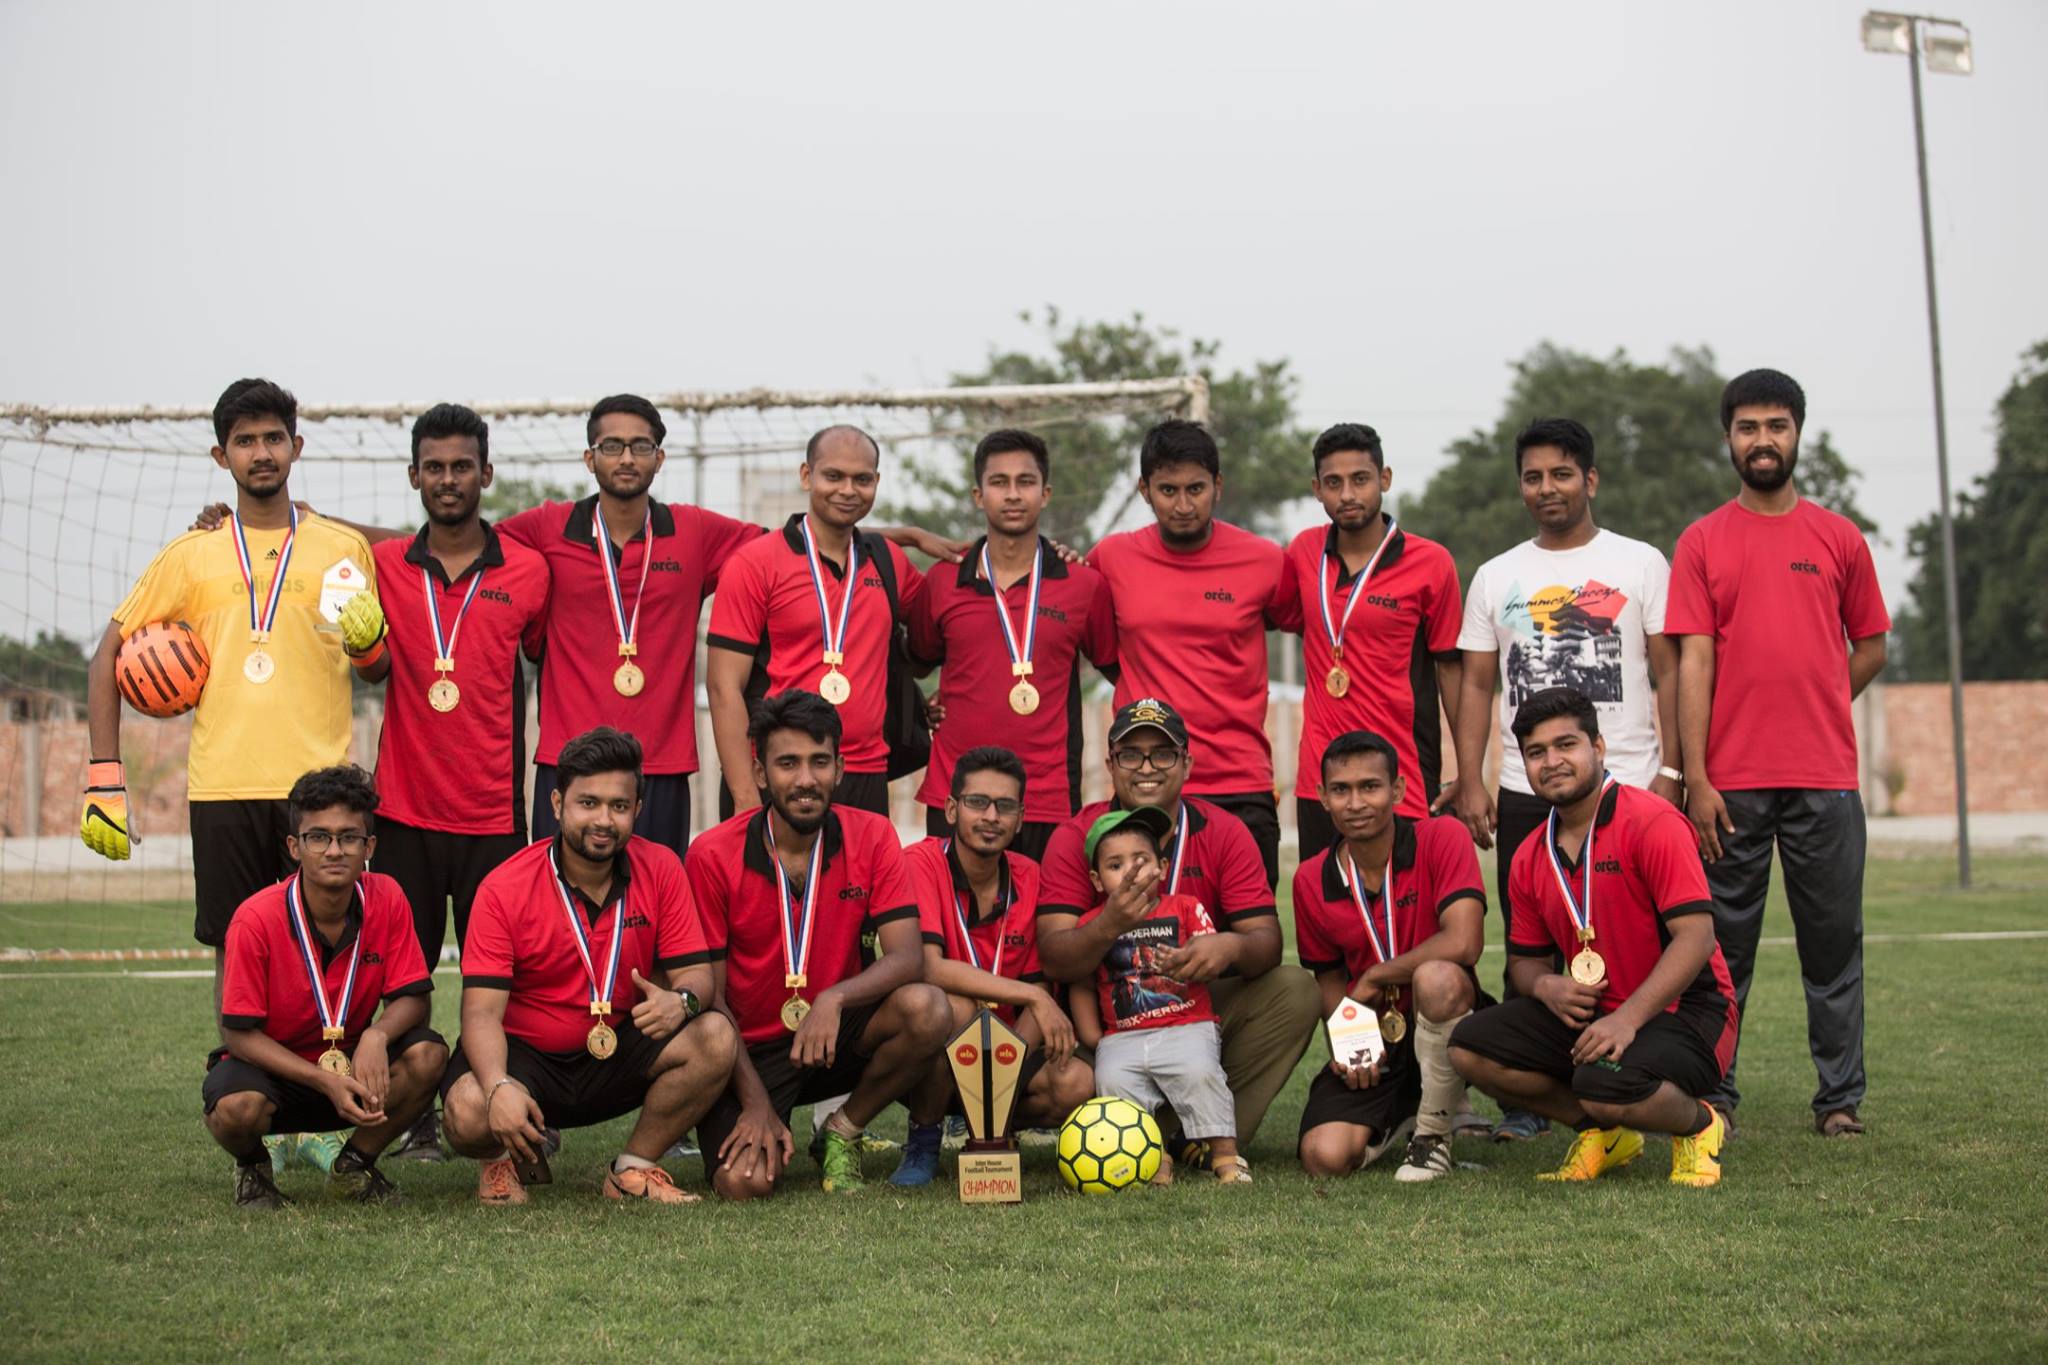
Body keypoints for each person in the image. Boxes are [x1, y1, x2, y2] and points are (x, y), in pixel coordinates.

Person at [83, 378, 385, 1017]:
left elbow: (374, 671)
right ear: (222, 456)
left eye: (274, 437)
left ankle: (329, 1070)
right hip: (223, 785)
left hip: (319, 787)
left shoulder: (341, 550)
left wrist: (367, 649)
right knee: (236, 947)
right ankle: (240, 1072)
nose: (262, 452)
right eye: (245, 441)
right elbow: (107, 654)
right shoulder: (191, 554)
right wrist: (104, 779)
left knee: (332, 942)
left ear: (296, 446)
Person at [1668, 369, 1889, 1138]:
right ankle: (1715, 1095)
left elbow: (1872, 645)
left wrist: (1820, 698)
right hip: (1728, 787)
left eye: (1776, 425)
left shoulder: (1839, 537)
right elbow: (1694, 662)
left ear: (1798, 433)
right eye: (1748, 427)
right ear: (1728, 438)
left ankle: (1840, 1099)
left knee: (1833, 949)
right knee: (1721, 955)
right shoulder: (1702, 540)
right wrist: (1697, 777)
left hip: (1827, 783)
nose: (1762, 440)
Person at [1449, 416, 1682, 1143]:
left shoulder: (1640, 563)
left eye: (1561, 473)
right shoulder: (1496, 575)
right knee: (1535, 951)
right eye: (1532, 476)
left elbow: (1669, 671)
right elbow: (1477, 684)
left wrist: (1672, 769)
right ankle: (1539, 1104)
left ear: (1591, 479)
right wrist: (1472, 779)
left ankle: (1665, 1078)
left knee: (1652, 942)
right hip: (1528, 790)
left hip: (1628, 783)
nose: (1546, 488)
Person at [1450, 688, 1739, 1188]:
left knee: (1602, 1082)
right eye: (1537, 752)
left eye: (1566, 745)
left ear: (1598, 747)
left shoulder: (1652, 821)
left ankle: (1699, 1124)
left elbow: (1696, 939)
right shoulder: (1530, 855)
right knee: (1468, 1048)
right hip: (1598, 1012)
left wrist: (1627, 1019)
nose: (1552, 762)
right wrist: (1545, 986)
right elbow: (1526, 962)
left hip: (1688, 1010)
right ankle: (1605, 1133)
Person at [359, 404, 549, 1161]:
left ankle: (500, 1108)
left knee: (502, 980)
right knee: (400, 980)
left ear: (485, 473)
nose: (448, 479)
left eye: (461, 466)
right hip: (402, 813)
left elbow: (543, 655)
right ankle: (412, 1117)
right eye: (433, 467)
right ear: (414, 475)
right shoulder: (382, 565)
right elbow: (367, 659)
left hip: (493, 816)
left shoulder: (528, 571)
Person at [440, 727, 738, 1206]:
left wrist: (681, 1002)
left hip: (617, 1047)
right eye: (588, 803)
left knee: (716, 1037)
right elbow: (479, 1014)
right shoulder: (503, 887)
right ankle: (499, 1160)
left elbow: (697, 976)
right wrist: (498, 1087)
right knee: (467, 1108)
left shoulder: (662, 868)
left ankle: (632, 1168)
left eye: (618, 806)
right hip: (527, 1058)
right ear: (558, 804)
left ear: (637, 809)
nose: (603, 820)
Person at [685, 690, 951, 1197]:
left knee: (929, 1008)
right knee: (743, 1184)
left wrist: (835, 997)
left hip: (835, 1033)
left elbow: (907, 956)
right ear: (760, 773)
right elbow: (712, 999)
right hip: (752, 1050)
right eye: (788, 763)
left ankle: (841, 1130)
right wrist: (756, 1102)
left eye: (819, 762)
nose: (805, 779)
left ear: (840, 768)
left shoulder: (873, 835)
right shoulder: (711, 854)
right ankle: (762, 1112)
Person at [1036, 697, 1319, 1166]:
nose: (1147, 767)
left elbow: (1267, 942)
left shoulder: (1223, 831)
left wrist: (1228, 947)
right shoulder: (1076, 835)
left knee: (1295, 990)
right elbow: (1054, 956)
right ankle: (1144, 1131)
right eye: (1131, 755)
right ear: (1111, 764)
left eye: (1163, 754)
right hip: (1110, 1022)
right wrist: (1109, 924)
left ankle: (1205, 1136)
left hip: (1193, 1014)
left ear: (1186, 763)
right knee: (1083, 1064)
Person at [202, 765, 446, 1209]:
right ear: (294, 847)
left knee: (428, 1055)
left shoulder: (388, 896)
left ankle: (354, 1164)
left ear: (369, 847)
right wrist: (320, 1079)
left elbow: (413, 997)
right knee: (237, 1107)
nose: (334, 850)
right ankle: (253, 1167)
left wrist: (377, 1035)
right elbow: (237, 1033)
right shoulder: (254, 919)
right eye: (319, 837)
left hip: (353, 1065)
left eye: (349, 837)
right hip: (277, 1073)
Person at [1085, 419, 1289, 886]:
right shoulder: (1110, 558)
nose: (1182, 505)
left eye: (1195, 489)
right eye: (1168, 490)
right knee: (1138, 926)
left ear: (1218, 486)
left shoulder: (1265, 560)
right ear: (1144, 490)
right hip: (1145, 783)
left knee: (1252, 928)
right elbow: (1096, 644)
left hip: (1239, 780)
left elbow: (1312, 625)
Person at [888, 745, 1095, 1187]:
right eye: (977, 802)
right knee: (955, 1008)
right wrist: (1032, 996)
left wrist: (1004, 1069)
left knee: (1077, 1082)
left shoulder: (1031, 876)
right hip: (934, 1051)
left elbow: (1040, 984)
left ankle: (990, 1132)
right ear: (951, 809)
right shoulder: (919, 862)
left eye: (1005, 806)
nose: (991, 817)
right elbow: (928, 967)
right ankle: (924, 1140)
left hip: (1005, 1048)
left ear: (1021, 819)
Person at [908, 429, 1118, 859]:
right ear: (978, 495)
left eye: (1025, 481)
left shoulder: (1084, 585)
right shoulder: (942, 581)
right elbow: (916, 661)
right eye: (999, 482)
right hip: (956, 795)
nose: (1013, 494)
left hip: (1046, 797)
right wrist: (919, 707)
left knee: (1044, 905)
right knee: (952, 904)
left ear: (1045, 493)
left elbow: (1118, 667)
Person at [1293, 731, 1485, 1183]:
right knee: (1324, 1157)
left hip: (1451, 1019)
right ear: (1322, 797)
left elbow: (1464, 941)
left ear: (1397, 790)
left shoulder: (1442, 837)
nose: (1356, 803)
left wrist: (1375, 976)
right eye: (1341, 790)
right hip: (1377, 1033)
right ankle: (1405, 1109)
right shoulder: (1310, 878)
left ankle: (1433, 1134)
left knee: (1437, 978)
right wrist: (1350, 1043)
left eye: (1370, 787)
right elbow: (1328, 979)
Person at [707, 426, 926, 817]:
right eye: (833, 476)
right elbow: (724, 687)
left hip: (865, 773)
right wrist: (744, 796)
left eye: (862, 479)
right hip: (780, 773)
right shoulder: (754, 563)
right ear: (807, 476)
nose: (848, 490)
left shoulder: (889, 562)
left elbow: (945, 629)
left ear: (876, 482)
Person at [1272, 423, 1464, 862]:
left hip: (1401, 777)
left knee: (1404, 901)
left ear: (1385, 479)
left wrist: (1468, 775)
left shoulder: (1431, 563)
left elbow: (1453, 673)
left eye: (1360, 479)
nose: (1347, 495)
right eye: (1333, 483)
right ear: (1317, 489)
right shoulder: (1302, 552)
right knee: (1324, 897)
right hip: (1321, 781)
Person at [1071, 806, 1247, 1184]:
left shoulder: (1185, 907)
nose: (1131, 872)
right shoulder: (1091, 926)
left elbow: (1209, 952)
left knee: (1200, 1073)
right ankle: (1153, 1158)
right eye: (1116, 865)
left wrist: (1189, 960)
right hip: (1122, 1034)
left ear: (1162, 868)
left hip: (1186, 1025)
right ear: (1097, 880)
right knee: (1113, 1081)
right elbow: (1081, 981)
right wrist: (1093, 1037)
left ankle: (1225, 1154)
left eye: (1142, 861)